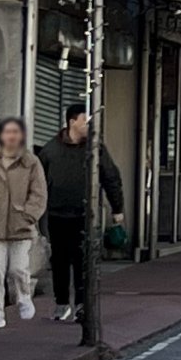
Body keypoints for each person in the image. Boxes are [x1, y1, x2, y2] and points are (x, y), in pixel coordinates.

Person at [37, 103, 124, 322]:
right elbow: (38, 185)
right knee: (59, 261)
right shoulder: (50, 150)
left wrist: (117, 208)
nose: (88, 125)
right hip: (56, 215)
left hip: (85, 215)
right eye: (85, 120)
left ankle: (82, 305)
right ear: (72, 121)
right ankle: (61, 302)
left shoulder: (95, 148)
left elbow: (111, 176)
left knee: (83, 261)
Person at [0, 117, 47, 328]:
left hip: (20, 227)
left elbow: (39, 194)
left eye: (16, 132)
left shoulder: (31, 162)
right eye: (8, 132)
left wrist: (28, 216)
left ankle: (23, 297)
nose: (12, 136)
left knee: (18, 269)